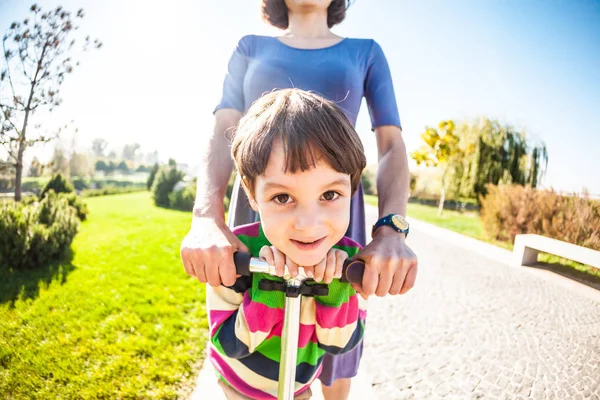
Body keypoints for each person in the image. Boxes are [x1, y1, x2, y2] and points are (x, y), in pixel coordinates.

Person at [180, 1, 418, 398]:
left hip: (335, 215)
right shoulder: (249, 47)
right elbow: (224, 127)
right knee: (250, 308)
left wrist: (392, 229)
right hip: (264, 205)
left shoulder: (366, 52)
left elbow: (391, 145)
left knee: (334, 350)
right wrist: (207, 215)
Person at [208, 88, 367, 400]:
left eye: (330, 195)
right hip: (241, 388)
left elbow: (340, 343)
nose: (308, 224)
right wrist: (268, 279)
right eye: (282, 197)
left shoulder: (350, 262)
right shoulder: (237, 253)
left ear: (352, 188)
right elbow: (229, 343)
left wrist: (336, 285)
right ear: (252, 194)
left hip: (299, 389)